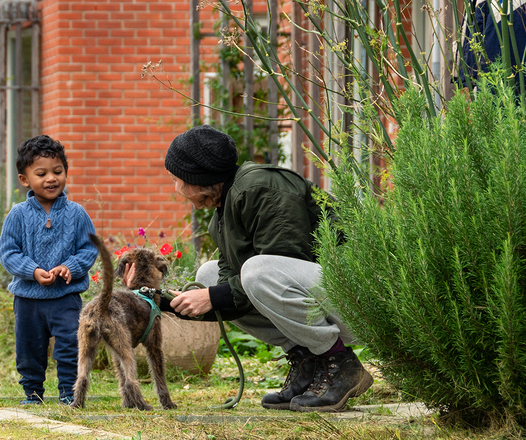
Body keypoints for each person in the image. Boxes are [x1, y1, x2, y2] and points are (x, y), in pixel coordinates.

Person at [127, 124, 372, 412]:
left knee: (256, 272)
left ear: (198, 179)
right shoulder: (224, 213)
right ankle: (308, 360)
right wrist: (158, 298)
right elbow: (233, 294)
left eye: (176, 180)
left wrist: (213, 296)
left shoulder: (261, 189)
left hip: (362, 299)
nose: (176, 189)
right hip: (323, 294)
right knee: (208, 276)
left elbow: (278, 269)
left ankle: (340, 364)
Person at [0, 135, 98, 406]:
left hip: (66, 297)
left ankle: (69, 393)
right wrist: (32, 271)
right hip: (28, 300)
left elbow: (89, 248)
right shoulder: (18, 214)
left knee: (70, 345)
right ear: (24, 179)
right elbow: (8, 253)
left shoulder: (77, 213)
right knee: (29, 348)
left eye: (58, 171)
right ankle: (32, 393)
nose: (51, 179)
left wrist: (70, 267)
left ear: (66, 172)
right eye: (41, 174)